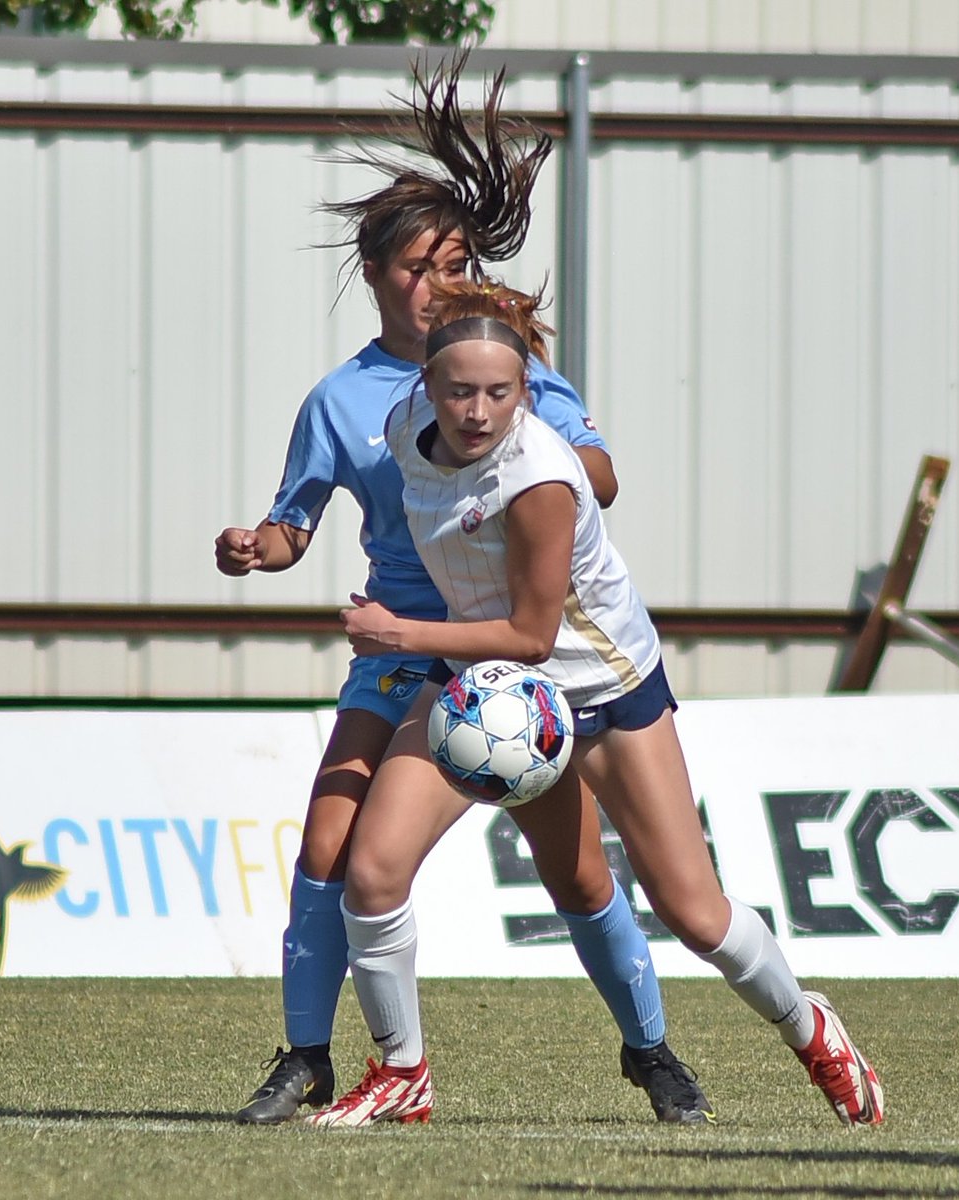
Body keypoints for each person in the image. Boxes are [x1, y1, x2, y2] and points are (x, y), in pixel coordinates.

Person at [215, 54, 712, 1127]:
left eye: (451, 262)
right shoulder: (342, 400)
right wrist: (260, 543)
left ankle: (652, 1050)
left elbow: (598, 478)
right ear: (374, 271)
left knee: (580, 880)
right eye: (413, 266)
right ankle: (310, 1057)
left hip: (500, 659)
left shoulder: (505, 367)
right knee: (328, 848)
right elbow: (296, 521)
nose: (433, 282)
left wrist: (548, 468)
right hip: (399, 653)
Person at [309, 278, 886, 1130]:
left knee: (693, 912)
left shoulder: (541, 477)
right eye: (460, 391)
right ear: (423, 387)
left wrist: (400, 636)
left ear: (524, 392)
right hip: (485, 684)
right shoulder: (403, 430)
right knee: (373, 867)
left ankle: (811, 1029)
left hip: (598, 686)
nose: (477, 410)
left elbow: (534, 636)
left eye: (499, 393)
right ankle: (403, 1072)